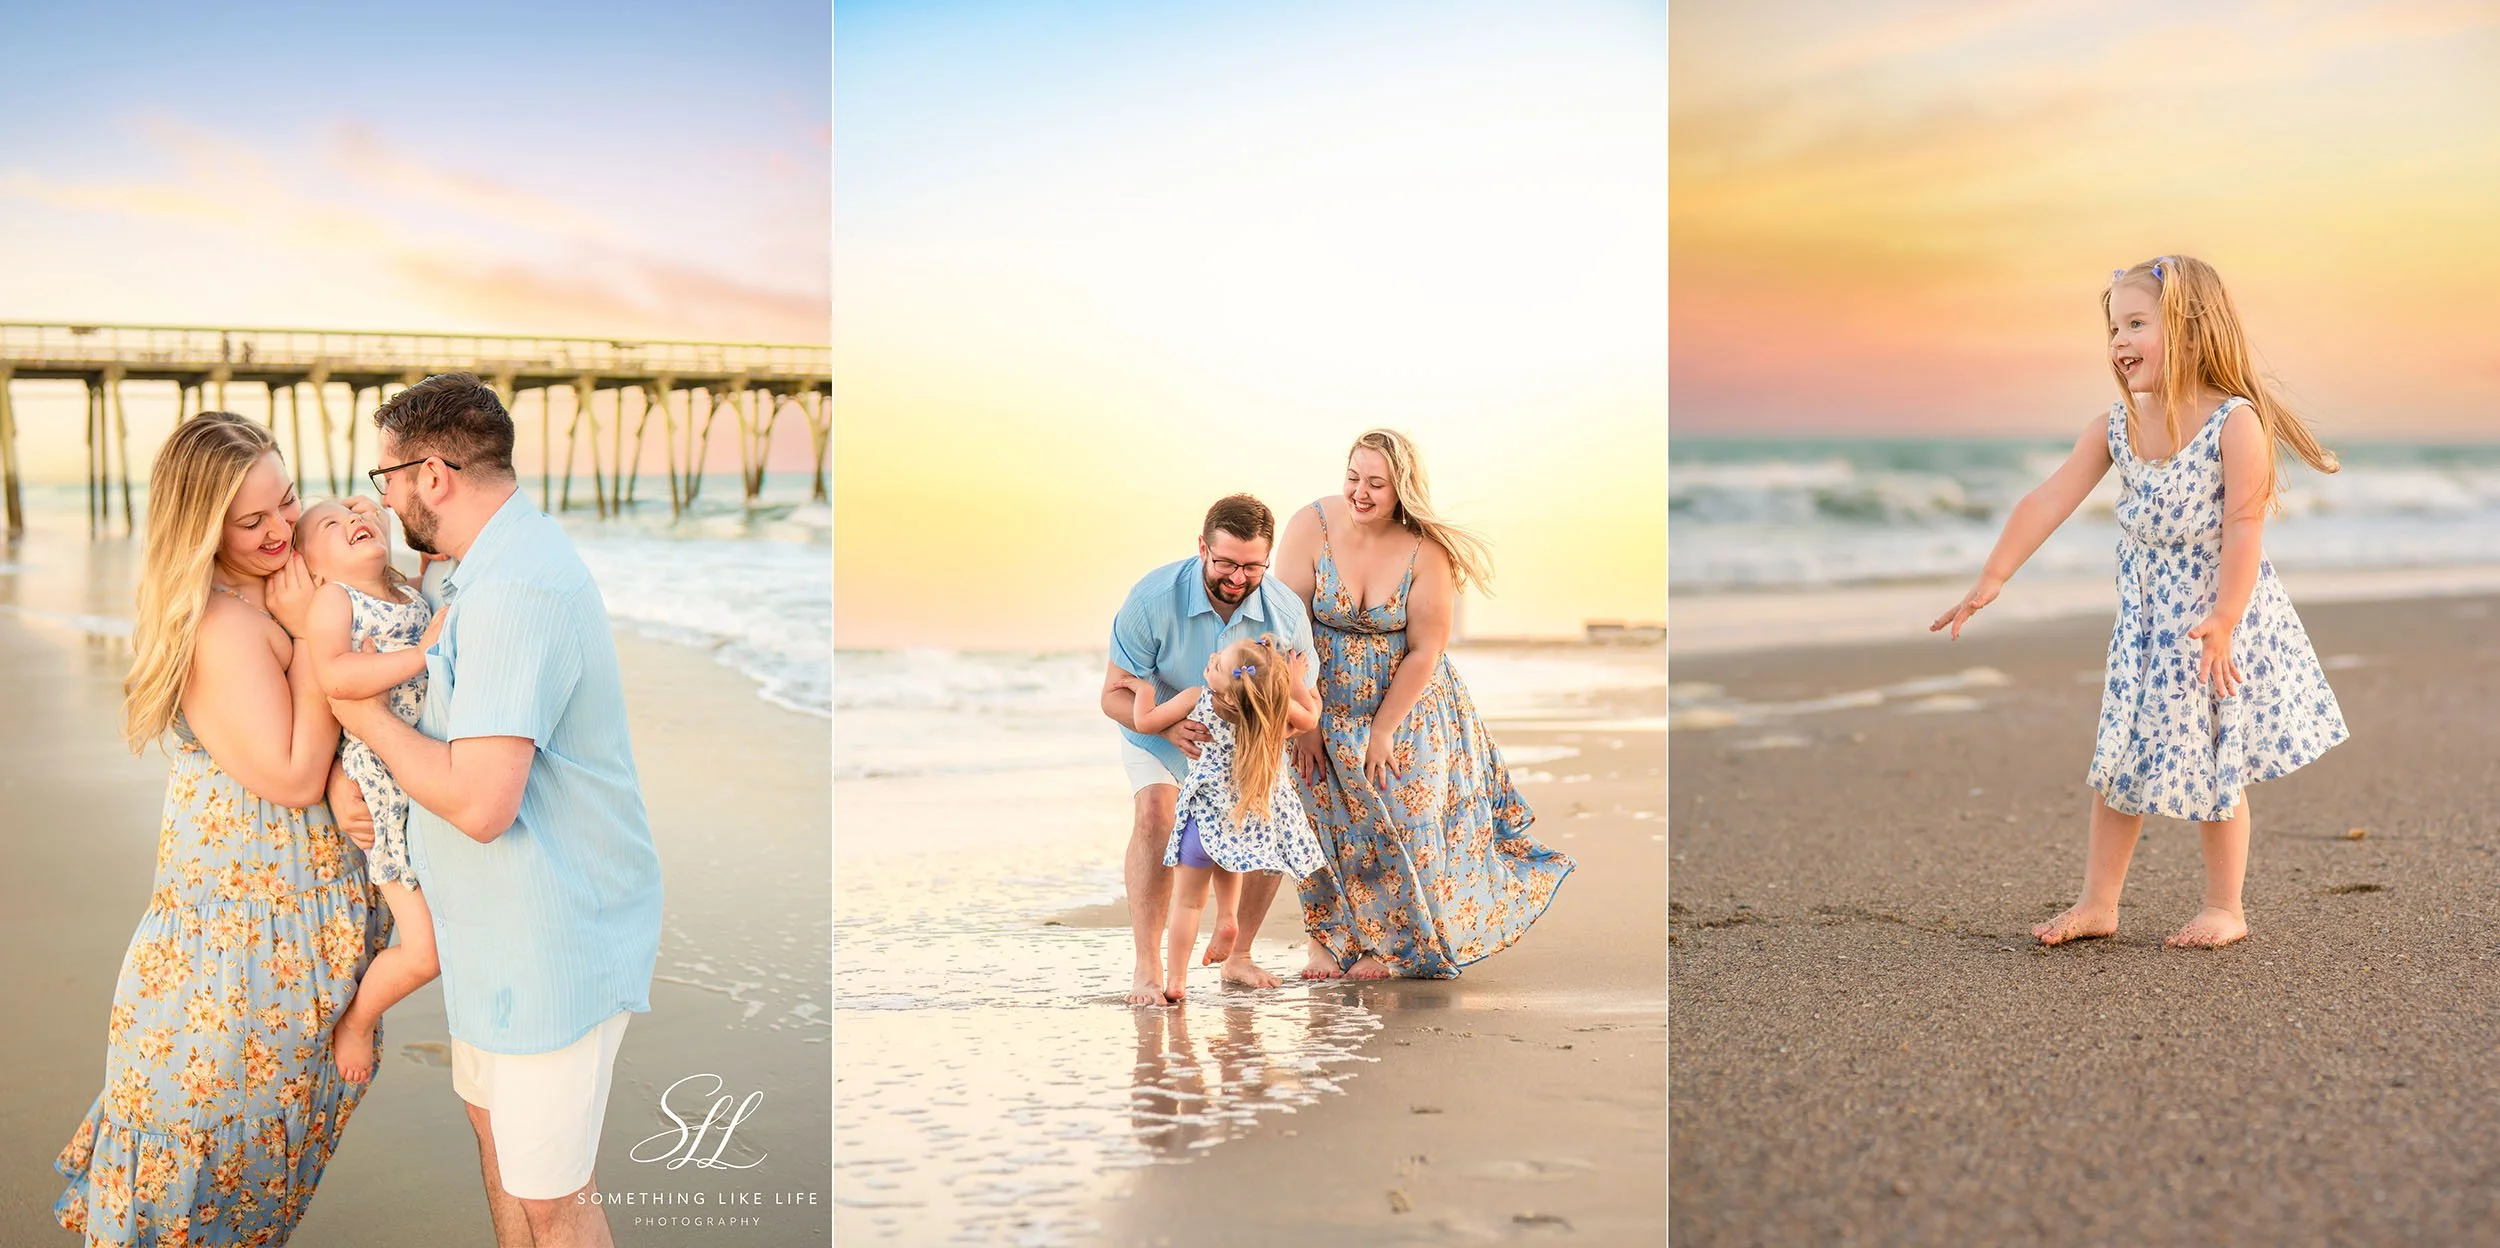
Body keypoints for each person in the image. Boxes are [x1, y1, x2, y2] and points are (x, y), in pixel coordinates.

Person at [326, 372, 663, 1247]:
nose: (386, 498)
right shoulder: (474, 568)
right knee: (497, 1139)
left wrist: (360, 718)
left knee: (554, 1198)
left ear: (434, 476)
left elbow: (481, 805)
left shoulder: (515, 589)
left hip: (551, 938)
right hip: (488, 933)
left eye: (388, 478)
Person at [1932, 254, 2348, 950]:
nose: (2119, 342)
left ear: (2189, 331)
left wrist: (2224, 618)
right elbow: (2050, 498)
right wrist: (1994, 575)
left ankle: (2225, 907)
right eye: (2112, 328)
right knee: (2119, 759)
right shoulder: (2115, 427)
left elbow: (2246, 527)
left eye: (2135, 324)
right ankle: (2099, 902)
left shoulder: (2235, 424)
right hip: (2144, 630)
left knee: (2218, 758)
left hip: (2217, 623)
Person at [54, 412, 388, 1245]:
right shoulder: (221, 624)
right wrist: (317, 638)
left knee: (252, 1184)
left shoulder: (277, 584)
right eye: (252, 520)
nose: (280, 529)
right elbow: (290, 774)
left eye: (287, 502)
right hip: (236, 965)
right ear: (205, 528)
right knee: (209, 1184)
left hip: (283, 938)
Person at [1274, 429, 1573, 979]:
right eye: (1352, 478)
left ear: (1402, 489)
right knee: (1323, 822)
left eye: (1376, 484)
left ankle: (1391, 945)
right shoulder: (1309, 525)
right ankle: (1328, 942)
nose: (1359, 493)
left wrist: (1384, 730)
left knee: (1405, 818)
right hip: (1318, 699)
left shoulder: (1425, 552)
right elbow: (1286, 631)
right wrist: (1303, 721)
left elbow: (1425, 649)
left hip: (1409, 705)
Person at [1100, 495, 1319, 1006]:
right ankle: (1149, 968)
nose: (1238, 577)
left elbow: (1303, 698)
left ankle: (1238, 955)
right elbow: (1112, 695)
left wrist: (1265, 734)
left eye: (1252, 566)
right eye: (1225, 563)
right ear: (1202, 548)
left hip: (1242, 749)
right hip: (1159, 731)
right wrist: (1166, 729)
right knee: (1156, 814)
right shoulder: (1151, 600)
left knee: (1267, 824)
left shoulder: (1285, 613)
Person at [294, 499, 444, 1083]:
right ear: (314, 566)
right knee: (426, 950)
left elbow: (430, 568)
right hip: (383, 781)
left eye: (354, 513)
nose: (350, 521)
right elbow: (335, 674)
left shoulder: (407, 589)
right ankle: (357, 1020)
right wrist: (419, 654)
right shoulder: (336, 599)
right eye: (329, 525)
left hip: (428, 769)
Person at [1115, 634, 1324, 1001]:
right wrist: (1295, 681)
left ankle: (1177, 981)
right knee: (1230, 867)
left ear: (1227, 694)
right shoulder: (1271, 713)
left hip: (1202, 820)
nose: (1210, 659)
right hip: (1241, 825)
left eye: (1216, 665)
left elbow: (1144, 721)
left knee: (1188, 903)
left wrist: (1143, 688)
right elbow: (1308, 719)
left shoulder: (1197, 699)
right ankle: (1228, 918)